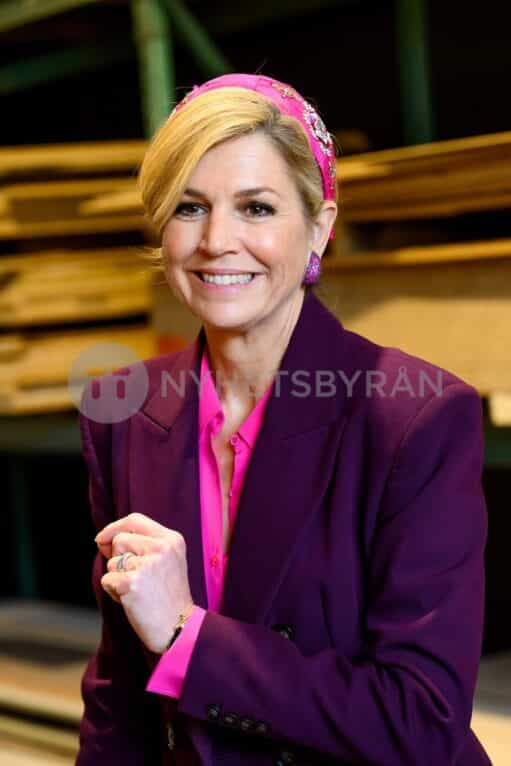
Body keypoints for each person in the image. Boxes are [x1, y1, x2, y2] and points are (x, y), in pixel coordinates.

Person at [76, 74, 491, 766]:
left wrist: (187, 635)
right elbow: (120, 689)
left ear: (319, 228)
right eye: (190, 207)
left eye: (257, 208)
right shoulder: (122, 411)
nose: (217, 241)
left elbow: (418, 720)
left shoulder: (413, 418)